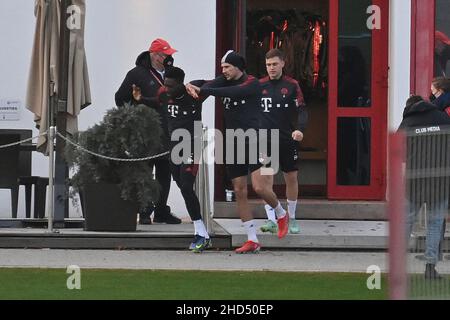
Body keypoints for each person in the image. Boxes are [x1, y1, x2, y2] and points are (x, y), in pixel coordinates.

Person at [186, 50, 290, 254]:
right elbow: (205, 84)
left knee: (259, 188)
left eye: (227, 67)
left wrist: (207, 90)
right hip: (234, 140)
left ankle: (280, 212)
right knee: (240, 190)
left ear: (238, 68)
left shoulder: (251, 82)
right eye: (222, 67)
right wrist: (190, 85)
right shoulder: (223, 81)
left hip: (257, 138)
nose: (223, 71)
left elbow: (234, 92)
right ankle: (252, 239)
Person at [115, 38, 181, 225]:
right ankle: (144, 211)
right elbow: (120, 98)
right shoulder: (137, 74)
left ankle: (161, 210)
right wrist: (136, 113)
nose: (168, 57)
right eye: (165, 54)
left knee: (165, 171)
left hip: (168, 130)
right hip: (145, 131)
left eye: (170, 54)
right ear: (154, 55)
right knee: (145, 170)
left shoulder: (171, 74)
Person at [148, 66, 212, 252]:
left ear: (181, 84)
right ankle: (202, 232)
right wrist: (139, 99)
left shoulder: (194, 94)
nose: (166, 88)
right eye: (165, 84)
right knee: (180, 184)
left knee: (185, 185)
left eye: (170, 85)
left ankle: (201, 232)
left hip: (192, 143)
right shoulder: (163, 93)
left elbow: (213, 84)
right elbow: (156, 100)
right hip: (174, 146)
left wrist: (197, 85)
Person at [398, 95, 450, 279]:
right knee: (435, 224)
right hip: (440, 179)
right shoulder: (443, 118)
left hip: (415, 180)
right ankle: (430, 267)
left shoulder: (409, 121)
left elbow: (398, 150)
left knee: (406, 222)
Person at [258, 49, 307, 235]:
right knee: (266, 178)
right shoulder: (259, 85)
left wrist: (300, 130)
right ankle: (272, 219)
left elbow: (302, 109)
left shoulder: (292, 85)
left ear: (283, 64)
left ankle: (292, 217)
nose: (271, 68)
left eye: (274, 64)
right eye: (268, 65)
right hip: (265, 139)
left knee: (291, 177)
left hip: (287, 137)